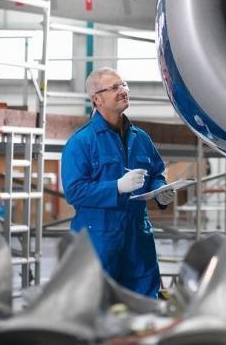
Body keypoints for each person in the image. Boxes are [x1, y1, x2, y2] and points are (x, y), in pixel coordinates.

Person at [62, 67, 175, 297]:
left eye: (124, 85)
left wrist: (160, 191)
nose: (123, 90)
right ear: (97, 99)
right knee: (96, 301)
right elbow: (74, 191)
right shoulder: (81, 142)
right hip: (98, 240)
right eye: (114, 87)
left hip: (138, 238)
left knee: (144, 303)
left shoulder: (141, 138)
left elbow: (156, 173)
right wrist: (116, 187)